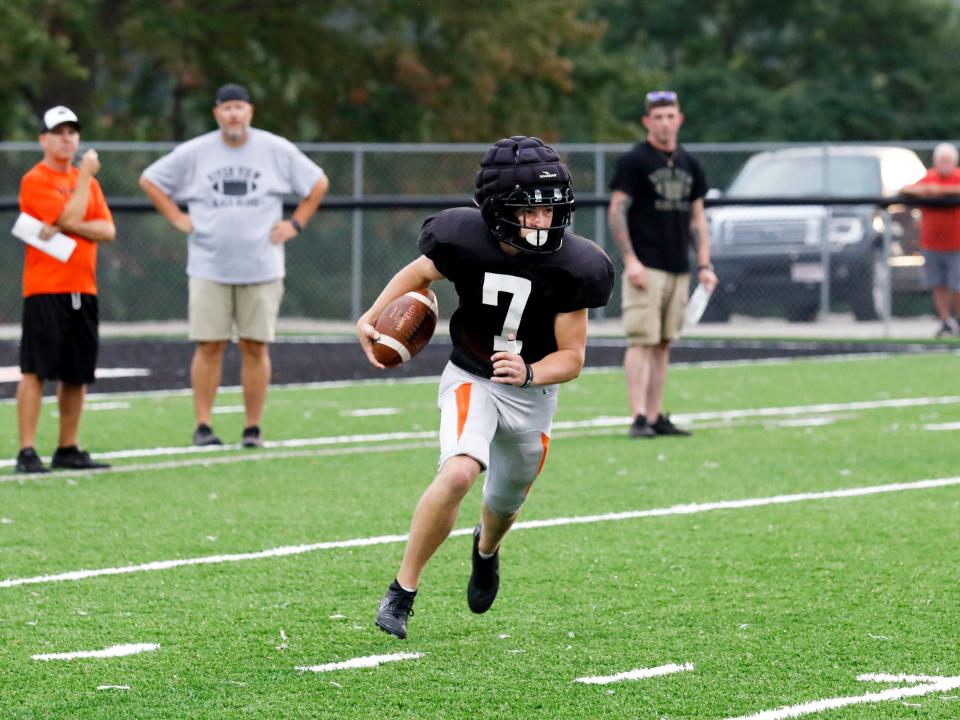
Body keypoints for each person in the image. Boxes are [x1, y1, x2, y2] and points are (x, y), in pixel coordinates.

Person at [356, 136, 614, 639]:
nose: (542, 223)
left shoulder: (575, 265)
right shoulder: (461, 237)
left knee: (504, 505)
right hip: (471, 375)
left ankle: (486, 549)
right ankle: (401, 593)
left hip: (531, 396)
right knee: (458, 473)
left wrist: (530, 372)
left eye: (550, 211)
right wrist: (372, 316)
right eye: (528, 211)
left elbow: (572, 357)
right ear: (497, 210)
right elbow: (421, 273)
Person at [139, 83, 329, 447]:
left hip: (261, 267)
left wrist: (295, 223)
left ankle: (252, 429)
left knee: (255, 347)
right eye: (226, 108)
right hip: (209, 266)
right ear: (216, 114)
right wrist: (176, 217)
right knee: (209, 345)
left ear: (250, 112)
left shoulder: (273, 149)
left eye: (239, 107)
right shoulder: (196, 152)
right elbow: (150, 180)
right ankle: (203, 426)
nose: (233, 114)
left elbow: (318, 182)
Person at [607, 90, 717, 439]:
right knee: (642, 339)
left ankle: (655, 416)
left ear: (679, 119)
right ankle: (638, 416)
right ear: (647, 121)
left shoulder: (690, 164)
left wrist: (704, 264)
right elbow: (616, 210)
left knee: (665, 342)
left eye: (671, 116)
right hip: (647, 265)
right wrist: (630, 260)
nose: (665, 122)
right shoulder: (635, 161)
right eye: (658, 116)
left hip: (678, 266)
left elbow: (698, 219)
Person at [15, 106, 116, 474]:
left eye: (72, 131)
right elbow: (72, 218)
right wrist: (85, 181)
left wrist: (70, 222)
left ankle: (67, 447)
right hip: (46, 288)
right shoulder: (36, 179)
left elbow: (108, 231)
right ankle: (27, 451)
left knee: (77, 372)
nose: (67, 138)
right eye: (58, 132)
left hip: (83, 287)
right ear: (43, 139)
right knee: (35, 370)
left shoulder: (87, 182)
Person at [901, 142, 960, 337]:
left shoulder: (956, 177)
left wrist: (939, 191)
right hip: (932, 243)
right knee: (937, 285)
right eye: (941, 160)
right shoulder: (929, 178)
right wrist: (927, 189)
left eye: (948, 160)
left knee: (956, 286)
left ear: (954, 161)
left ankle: (958, 320)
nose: (944, 163)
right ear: (936, 161)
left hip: (956, 244)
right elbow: (906, 189)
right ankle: (945, 322)